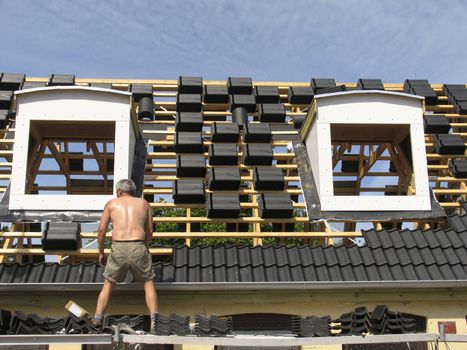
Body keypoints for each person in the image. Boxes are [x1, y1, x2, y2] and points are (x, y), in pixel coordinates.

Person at [92, 179, 158, 333]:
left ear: (120, 191)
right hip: (139, 244)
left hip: (118, 247)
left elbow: (101, 231)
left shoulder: (112, 204)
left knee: (108, 284)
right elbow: (149, 232)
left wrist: (101, 252)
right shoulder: (144, 204)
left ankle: (97, 318)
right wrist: (143, 247)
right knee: (148, 284)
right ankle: (155, 321)